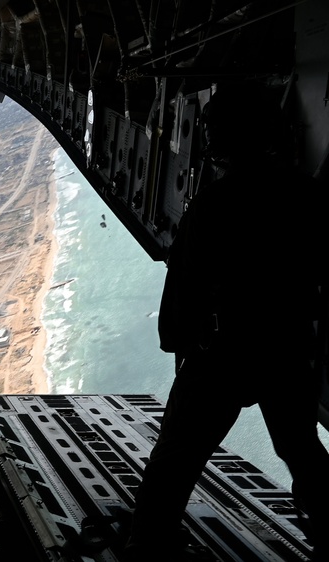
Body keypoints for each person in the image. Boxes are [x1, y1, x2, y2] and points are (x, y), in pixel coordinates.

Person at [124, 82, 329, 561]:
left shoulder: (214, 203)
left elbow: (186, 286)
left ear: (225, 142)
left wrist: (178, 342)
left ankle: (149, 545)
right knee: (302, 451)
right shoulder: (305, 195)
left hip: (222, 352)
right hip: (284, 347)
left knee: (177, 456)